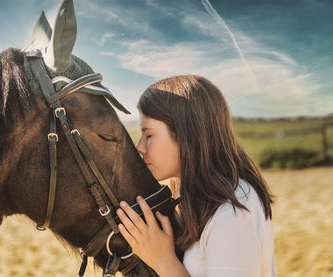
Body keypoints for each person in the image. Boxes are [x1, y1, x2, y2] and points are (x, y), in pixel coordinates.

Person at [116, 75, 276, 277]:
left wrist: (163, 261)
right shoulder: (193, 196)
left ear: (186, 135)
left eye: (149, 135)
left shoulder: (233, 212)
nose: (139, 147)